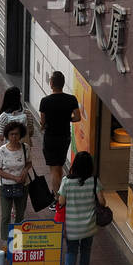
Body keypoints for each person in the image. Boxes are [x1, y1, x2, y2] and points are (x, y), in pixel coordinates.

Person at [58, 150, 107, 265]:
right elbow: (102, 202)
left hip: (71, 226)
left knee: (71, 251)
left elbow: (61, 201)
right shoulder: (94, 181)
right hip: (88, 226)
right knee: (85, 251)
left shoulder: (66, 181)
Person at [39, 70, 81, 198]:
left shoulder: (45, 101)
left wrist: (44, 125)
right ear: (63, 84)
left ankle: (57, 199)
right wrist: (67, 119)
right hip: (64, 137)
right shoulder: (71, 99)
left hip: (50, 137)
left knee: (53, 169)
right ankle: (62, 195)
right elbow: (77, 117)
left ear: (51, 84)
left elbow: (42, 121)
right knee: (60, 166)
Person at [0, 119, 31, 245]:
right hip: (6, 187)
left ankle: (17, 242)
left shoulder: (25, 148)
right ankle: (5, 242)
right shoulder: (1, 151)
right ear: (7, 135)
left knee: (20, 215)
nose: (14, 137)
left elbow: (29, 163)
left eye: (17, 134)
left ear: (21, 135)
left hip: (23, 186)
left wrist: (25, 172)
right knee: (5, 216)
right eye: (11, 134)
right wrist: (14, 178)